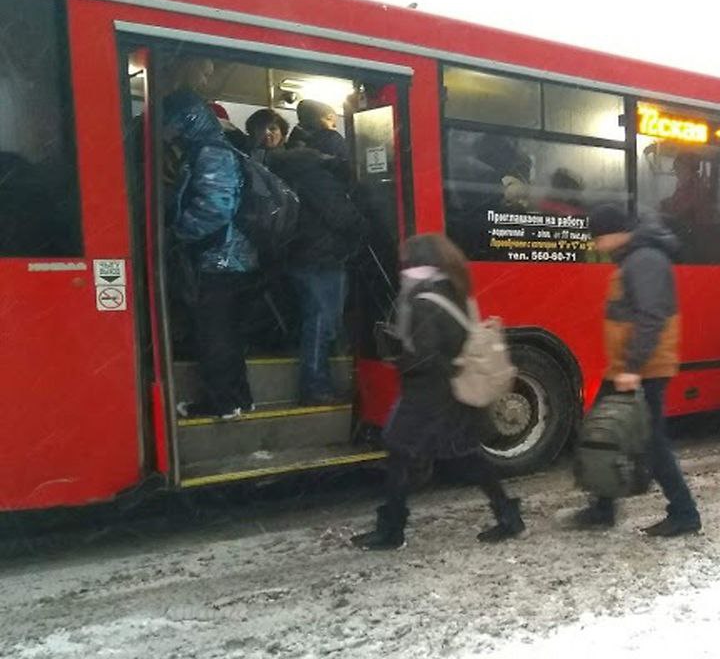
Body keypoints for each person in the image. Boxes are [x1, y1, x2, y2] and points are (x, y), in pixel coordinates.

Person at [351, 233, 524, 550]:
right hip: (453, 390)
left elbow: (425, 355)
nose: (403, 269)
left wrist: (398, 356)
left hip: (427, 395)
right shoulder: (455, 291)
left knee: (400, 454)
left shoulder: (422, 301)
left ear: (417, 265)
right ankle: (508, 515)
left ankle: (392, 530)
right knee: (467, 455)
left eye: (407, 262)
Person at [573, 204, 701, 537]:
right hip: (627, 366)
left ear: (613, 233)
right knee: (604, 431)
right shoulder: (634, 257)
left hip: (644, 367)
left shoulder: (645, 259)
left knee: (650, 440)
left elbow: (652, 316)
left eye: (597, 238)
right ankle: (603, 505)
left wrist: (633, 366)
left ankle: (685, 512)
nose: (596, 246)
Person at [164, 89, 258, 420]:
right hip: (229, 257)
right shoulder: (214, 149)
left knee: (214, 334)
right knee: (226, 332)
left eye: (173, 123)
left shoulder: (210, 153)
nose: (169, 132)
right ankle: (238, 398)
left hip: (219, 258)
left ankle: (223, 402)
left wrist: (177, 233)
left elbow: (216, 208)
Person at [264, 142, 368, 405]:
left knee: (314, 320)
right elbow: (342, 216)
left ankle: (317, 382)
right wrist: (365, 226)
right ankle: (315, 386)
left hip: (297, 255)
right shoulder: (317, 177)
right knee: (322, 323)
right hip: (322, 257)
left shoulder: (286, 173)